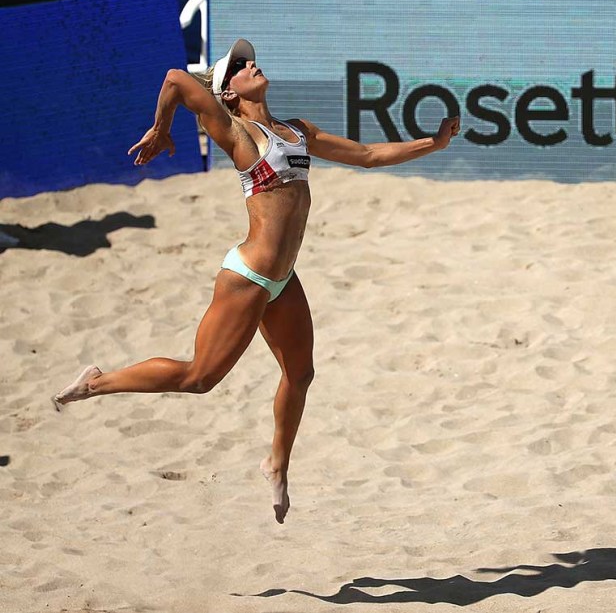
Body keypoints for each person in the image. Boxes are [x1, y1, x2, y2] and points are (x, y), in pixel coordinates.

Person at [52, 38, 460, 523]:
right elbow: (175, 80)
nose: (252, 65)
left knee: (301, 374)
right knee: (199, 377)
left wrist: (432, 143)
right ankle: (98, 382)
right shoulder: (233, 129)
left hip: (282, 278)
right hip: (247, 277)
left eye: (251, 61)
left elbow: (369, 154)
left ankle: (277, 463)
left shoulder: (296, 131)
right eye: (240, 67)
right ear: (228, 91)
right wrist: (161, 129)